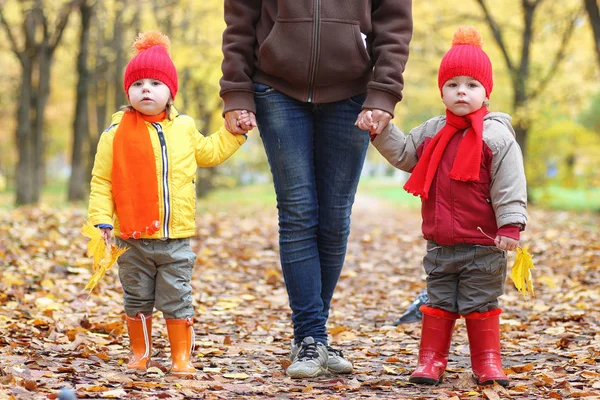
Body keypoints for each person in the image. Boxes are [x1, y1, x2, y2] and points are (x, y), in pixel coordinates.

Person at [221, 1, 413, 378]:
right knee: (297, 211)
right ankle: (311, 335)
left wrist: (383, 93)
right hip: (276, 88)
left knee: (335, 218)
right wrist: (236, 93)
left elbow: (394, 25)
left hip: (353, 95)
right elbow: (240, 21)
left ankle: (312, 340)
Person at [359, 26, 527, 387]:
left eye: (471, 85)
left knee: (480, 302)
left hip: (483, 244)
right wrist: (381, 131)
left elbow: (510, 185)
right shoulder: (433, 131)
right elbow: (405, 155)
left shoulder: (496, 136)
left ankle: (487, 361)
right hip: (440, 243)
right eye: (453, 85)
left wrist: (511, 226)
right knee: (439, 300)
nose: (462, 91)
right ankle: (431, 359)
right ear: (442, 91)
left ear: (486, 91)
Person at [87, 31, 247, 375]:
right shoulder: (113, 135)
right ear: (127, 91)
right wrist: (101, 218)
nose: (146, 89)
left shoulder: (185, 129)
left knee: (177, 297)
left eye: (155, 83)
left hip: (175, 238)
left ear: (170, 92)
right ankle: (140, 354)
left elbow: (209, 152)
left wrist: (236, 133)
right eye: (138, 83)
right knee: (137, 297)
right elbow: (103, 180)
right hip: (132, 238)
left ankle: (181, 358)